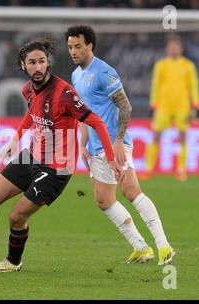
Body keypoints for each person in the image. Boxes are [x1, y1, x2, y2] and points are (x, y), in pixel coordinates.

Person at [0, 39, 125, 273]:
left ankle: (13, 261)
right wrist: (16, 139)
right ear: (23, 65)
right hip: (32, 156)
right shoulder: (27, 89)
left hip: (56, 168)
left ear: (48, 63)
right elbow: (32, 113)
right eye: (32, 62)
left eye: (41, 61)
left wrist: (110, 158)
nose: (38, 67)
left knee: (16, 216)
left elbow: (96, 122)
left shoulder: (64, 93)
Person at [66, 25, 175, 266]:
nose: (73, 51)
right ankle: (141, 248)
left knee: (130, 191)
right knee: (104, 199)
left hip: (115, 144)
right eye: (70, 47)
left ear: (90, 45)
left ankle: (163, 245)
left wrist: (117, 141)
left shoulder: (105, 72)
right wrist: (82, 144)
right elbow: (83, 113)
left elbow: (126, 107)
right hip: (95, 146)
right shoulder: (76, 75)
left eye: (78, 46)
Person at [144, 34, 199, 181]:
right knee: (156, 136)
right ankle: (148, 168)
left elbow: (193, 86)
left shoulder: (188, 65)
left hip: (182, 106)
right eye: (172, 47)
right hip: (164, 105)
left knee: (182, 137)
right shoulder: (161, 65)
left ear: (181, 49)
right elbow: (156, 85)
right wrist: (153, 104)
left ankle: (181, 170)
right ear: (168, 48)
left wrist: (196, 104)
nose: (174, 49)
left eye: (176, 47)